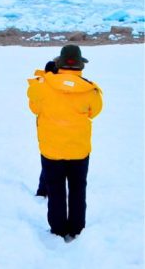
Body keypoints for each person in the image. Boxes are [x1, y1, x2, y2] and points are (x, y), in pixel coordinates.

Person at [27, 44, 102, 241]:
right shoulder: (90, 89)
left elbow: (34, 106)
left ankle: (58, 229)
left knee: (55, 190)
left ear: (58, 63)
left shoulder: (44, 84)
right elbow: (95, 111)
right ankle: (77, 229)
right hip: (79, 150)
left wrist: (46, 75)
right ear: (80, 66)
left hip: (51, 150)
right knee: (78, 189)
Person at [30, 61, 58, 196]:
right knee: (50, 162)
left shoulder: (41, 84)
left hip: (47, 129)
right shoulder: (45, 85)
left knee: (48, 162)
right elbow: (35, 108)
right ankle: (43, 191)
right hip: (50, 129)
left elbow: (34, 108)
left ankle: (43, 190)